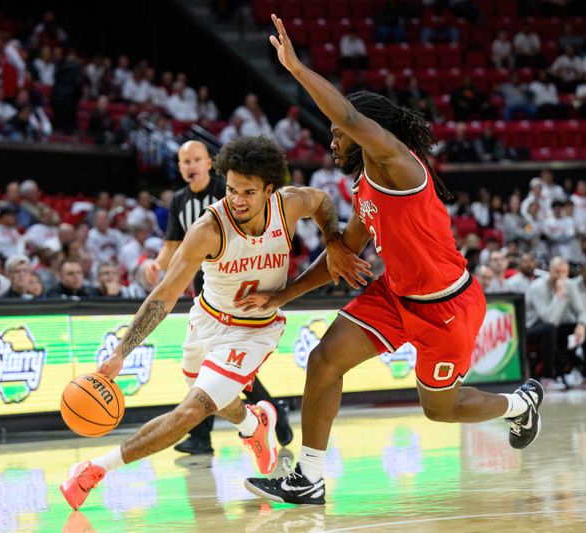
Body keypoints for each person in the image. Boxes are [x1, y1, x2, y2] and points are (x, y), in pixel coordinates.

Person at [244, 16, 544, 506]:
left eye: (339, 135)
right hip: (395, 294)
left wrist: (296, 69)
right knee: (323, 361)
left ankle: (519, 403)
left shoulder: (398, 163)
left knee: (440, 410)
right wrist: (281, 296)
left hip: (446, 306)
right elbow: (340, 258)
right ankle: (310, 477)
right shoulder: (365, 186)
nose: (333, 142)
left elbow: (348, 117)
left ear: (362, 133)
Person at [59, 135, 365, 510]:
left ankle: (94, 469)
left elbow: (322, 202)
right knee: (217, 402)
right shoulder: (208, 228)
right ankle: (254, 425)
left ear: (270, 189)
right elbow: (164, 294)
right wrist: (123, 351)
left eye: (248, 192)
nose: (236, 199)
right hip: (205, 322)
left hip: (253, 330)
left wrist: (333, 239)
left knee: (193, 409)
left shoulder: (288, 205)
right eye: (232, 189)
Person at [146, 140, 294, 454]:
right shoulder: (179, 201)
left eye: (196, 160)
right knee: (208, 368)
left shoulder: (228, 191)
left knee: (220, 371)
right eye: (184, 161)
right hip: (204, 290)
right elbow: (172, 244)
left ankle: (212, 432)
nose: (190, 166)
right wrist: (158, 265)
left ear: (209, 163)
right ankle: (261, 414)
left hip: (239, 287)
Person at [525, 256, 586, 387]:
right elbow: (548, 319)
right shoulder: (537, 286)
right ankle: (548, 377)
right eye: (557, 271)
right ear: (550, 271)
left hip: (554, 328)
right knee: (549, 329)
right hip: (532, 328)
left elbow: (582, 311)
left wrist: (581, 324)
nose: (560, 275)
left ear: (568, 272)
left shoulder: (570, 285)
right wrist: (559, 295)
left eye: (563, 272)